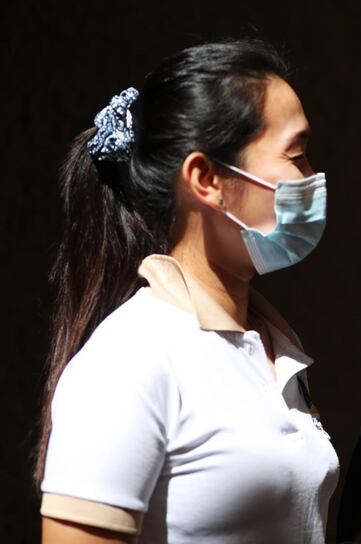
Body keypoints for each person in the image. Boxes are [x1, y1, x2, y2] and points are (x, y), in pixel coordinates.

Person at [35, 39, 337, 544]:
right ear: (206, 178)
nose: (312, 179)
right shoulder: (130, 360)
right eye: (297, 155)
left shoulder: (270, 346)